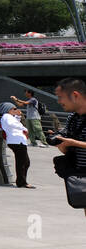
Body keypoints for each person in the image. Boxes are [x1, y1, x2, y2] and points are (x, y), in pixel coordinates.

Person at [50, 78, 86, 218]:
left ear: (75, 95)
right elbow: (70, 148)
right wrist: (62, 144)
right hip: (82, 175)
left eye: (60, 97)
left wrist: (73, 142)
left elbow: (73, 143)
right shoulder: (73, 118)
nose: (58, 101)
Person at [0, 103, 32, 188]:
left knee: (25, 162)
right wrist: (24, 128)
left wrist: (18, 116)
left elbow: (15, 123)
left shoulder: (10, 117)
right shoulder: (6, 116)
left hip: (18, 141)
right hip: (16, 141)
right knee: (22, 162)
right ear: (8, 110)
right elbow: (11, 124)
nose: (16, 110)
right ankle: (21, 182)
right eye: (14, 108)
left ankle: (22, 181)